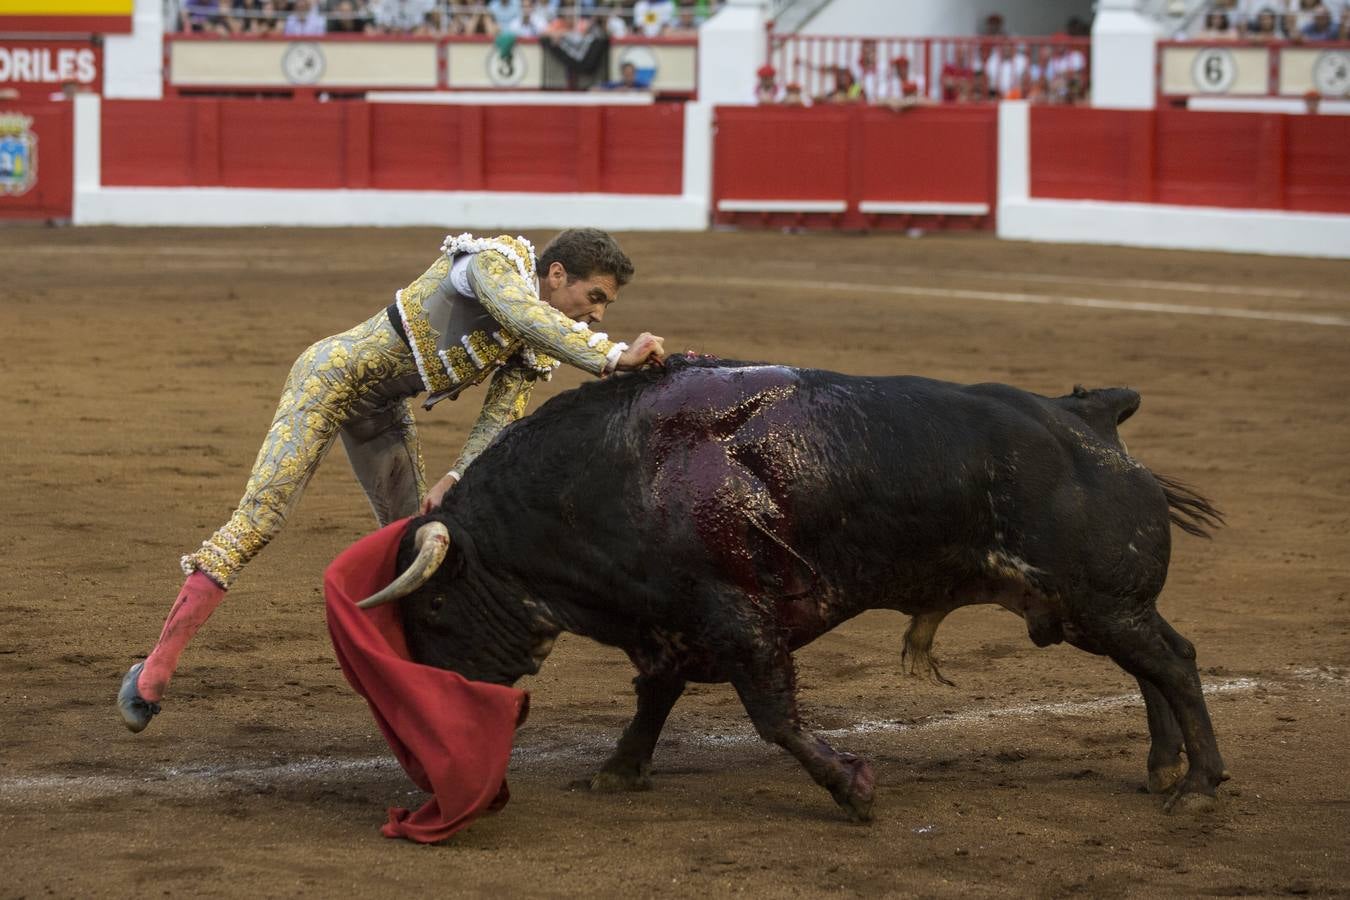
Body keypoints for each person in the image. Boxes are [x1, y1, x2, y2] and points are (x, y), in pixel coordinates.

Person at [117, 229, 668, 733]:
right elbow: (523, 316)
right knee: (260, 521)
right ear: (556, 275)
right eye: (594, 297)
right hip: (328, 380)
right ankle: (156, 668)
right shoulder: (491, 265)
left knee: (416, 551)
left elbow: (498, 419)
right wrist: (613, 355)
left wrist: (455, 476)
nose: (596, 315)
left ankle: (421, 696)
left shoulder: (534, 340)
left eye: (605, 308)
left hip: (380, 413)